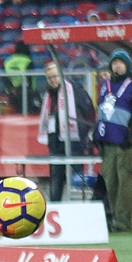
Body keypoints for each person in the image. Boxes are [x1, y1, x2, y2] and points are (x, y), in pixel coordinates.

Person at [94, 50, 132, 232]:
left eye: (121, 62)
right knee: (111, 183)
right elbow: (101, 113)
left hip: (127, 145)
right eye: (114, 62)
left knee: (126, 184)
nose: (117, 65)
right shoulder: (104, 86)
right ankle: (120, 217)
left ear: (127, 65)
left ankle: (123, 223)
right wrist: (96, 136)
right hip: (107, 144)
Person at [37, 63, 96, 201]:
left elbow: (89, 112)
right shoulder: (48, 94)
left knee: (76, 176)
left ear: (62, 75)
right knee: (56, 178)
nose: (53, 80)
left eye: (55, 76)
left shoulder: (75, 90)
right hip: (55, 142)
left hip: (74, 141)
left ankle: (79, 205)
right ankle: (55, 205)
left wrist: (83, 132)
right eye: (49, 77)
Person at [4, 41, 36, 113]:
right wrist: (20, 89)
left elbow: (4, 77)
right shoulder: (28, 61)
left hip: (12, 93)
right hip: (26, 93)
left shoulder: (7, 61)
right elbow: (28, 79)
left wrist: (11, 89)